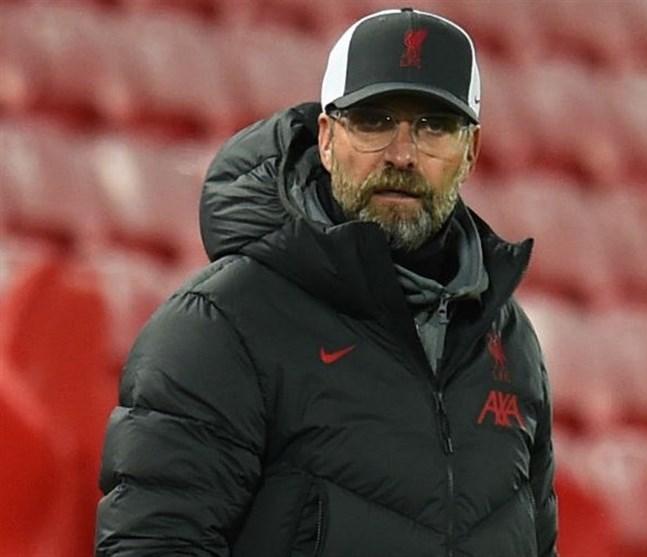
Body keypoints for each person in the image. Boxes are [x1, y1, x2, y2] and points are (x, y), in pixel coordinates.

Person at [96, 7, 557, 557]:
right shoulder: (224, 325)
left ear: (471, 152)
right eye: (374, 121)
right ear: (327, 139)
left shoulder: (509, 341)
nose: (402, 155)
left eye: (434, 126)